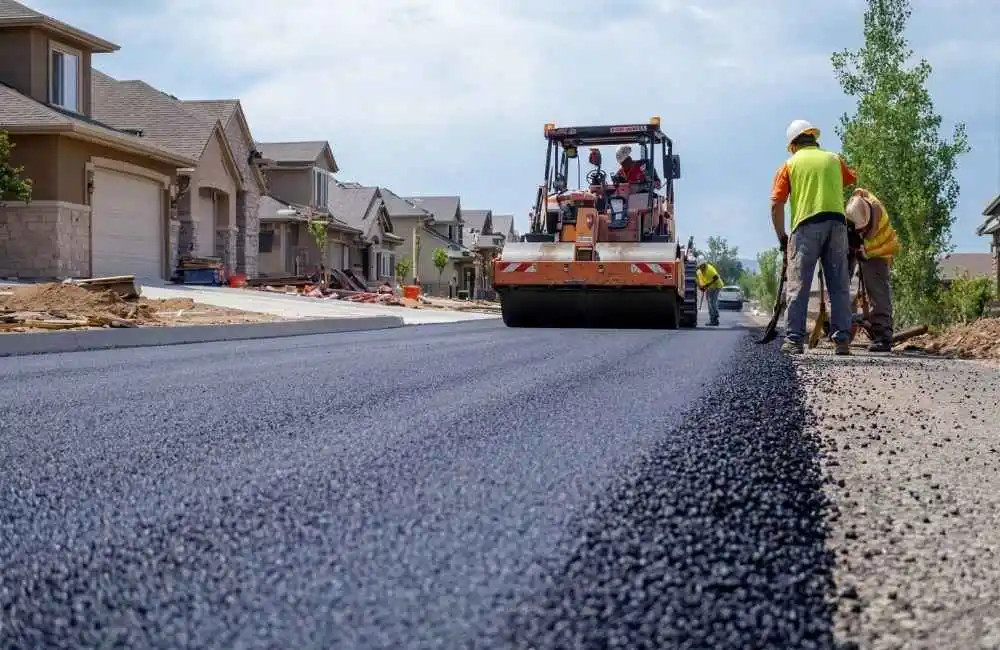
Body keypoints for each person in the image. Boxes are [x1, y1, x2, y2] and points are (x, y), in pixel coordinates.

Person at [770, 119, 858, 355]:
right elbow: (851, 179)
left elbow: (777, 204)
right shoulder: (833, 159)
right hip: (838, 225)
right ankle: (842, 340)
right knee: (839, 284)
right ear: (813, 139)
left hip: (806, 225)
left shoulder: (789, 165)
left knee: (799, 285)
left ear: (793, 145)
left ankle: (794, 340)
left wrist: (782, 237)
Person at [845, 188, 900, 352]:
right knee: (845, 288)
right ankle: (844, 328)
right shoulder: (855, 208)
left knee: (877, 292)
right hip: (863, 249)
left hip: (879, 253)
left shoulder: (875, 211)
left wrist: (863, 250)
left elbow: (870, 236)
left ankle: (883, 337)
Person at [696, 260, 724, 326]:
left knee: (713, 303)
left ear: (704, 264)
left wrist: (707, 285)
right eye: (700, 266)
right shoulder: (699, 272)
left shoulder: (710, 269)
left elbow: (716, 277)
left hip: (717, 286)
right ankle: (714, 319)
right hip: (709, 288)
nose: (701, 266)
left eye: (702, 265)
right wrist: (701, 287)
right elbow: (699, 281)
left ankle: (715, 317)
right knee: (709, 303)